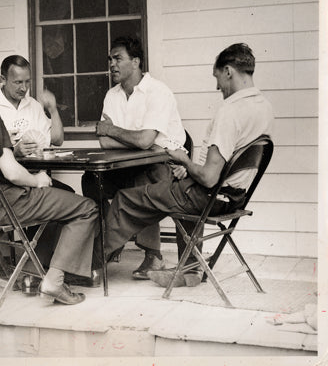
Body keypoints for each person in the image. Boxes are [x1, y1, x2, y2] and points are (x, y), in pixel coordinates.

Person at [103, 43, 274, 287]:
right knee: (176, 188)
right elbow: (223, 166)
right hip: (236, 196)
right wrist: (190, 169)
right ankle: (191, 270)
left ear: (228, 71)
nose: (218, 86)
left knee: (125, 199)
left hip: (210, 196)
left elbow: (208, 178)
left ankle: (91, 264)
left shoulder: (230, 111)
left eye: (217, 78)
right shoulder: (264, 107)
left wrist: (183, 160)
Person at [0, 50, 99, 305]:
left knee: (60, 199)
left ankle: (36, 270)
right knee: (86, 208)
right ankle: (54, 281)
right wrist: (38, 180)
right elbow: (12, 172)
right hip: (6, 201)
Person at [81, 36, 186, 281]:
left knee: (141, 182)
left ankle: (153, 254)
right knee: (90, 180)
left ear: (136, 61)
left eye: (118, 58)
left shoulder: (157, 91)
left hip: (166, 165)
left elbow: (145, 141)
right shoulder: (112, 95)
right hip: (129, 163)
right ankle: (112, 239)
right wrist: (128, 138)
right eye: (110, 59)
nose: (112, 64)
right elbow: (104, 142)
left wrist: (113, 131)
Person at [0, 55, 64, 157]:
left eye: (27, 81)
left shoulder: (33, 105)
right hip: (3, 172)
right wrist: (14, 152)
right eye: (18, 82)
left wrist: (53, 110)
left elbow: (57, 140)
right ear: (3, 79)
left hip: (36, 171)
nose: (24, 88)